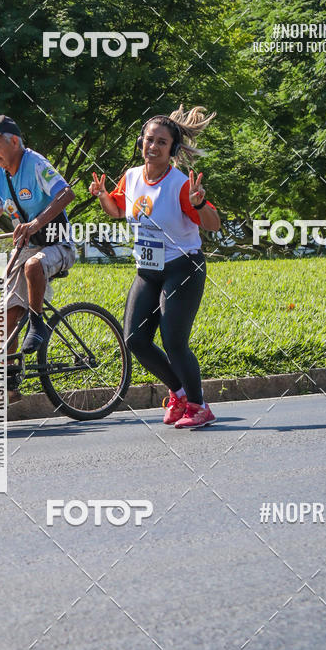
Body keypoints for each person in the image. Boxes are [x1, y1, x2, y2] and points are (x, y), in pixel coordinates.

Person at [89, 105, 220, 428]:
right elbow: (118, 211)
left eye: (162, 142)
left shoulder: (179, 185)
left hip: (182, 267)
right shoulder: (132, 177)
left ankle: (199, 406)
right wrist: (104, 195)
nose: (153, 146)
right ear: (140, 142)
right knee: (135, 339)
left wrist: (200, 202)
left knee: (173, 340)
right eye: (149, 140)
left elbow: (213, 225)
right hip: (148, 270)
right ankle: (177, 393)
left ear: (172, 149)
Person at [0, 115, 76, 401]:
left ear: (14, 142)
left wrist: (35, 223)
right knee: (6, 314)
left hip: (57, 244)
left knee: (35, 265)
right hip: (26, 245)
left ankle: (38, 325)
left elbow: (66, 193)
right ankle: (10, 385)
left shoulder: (35, 163)